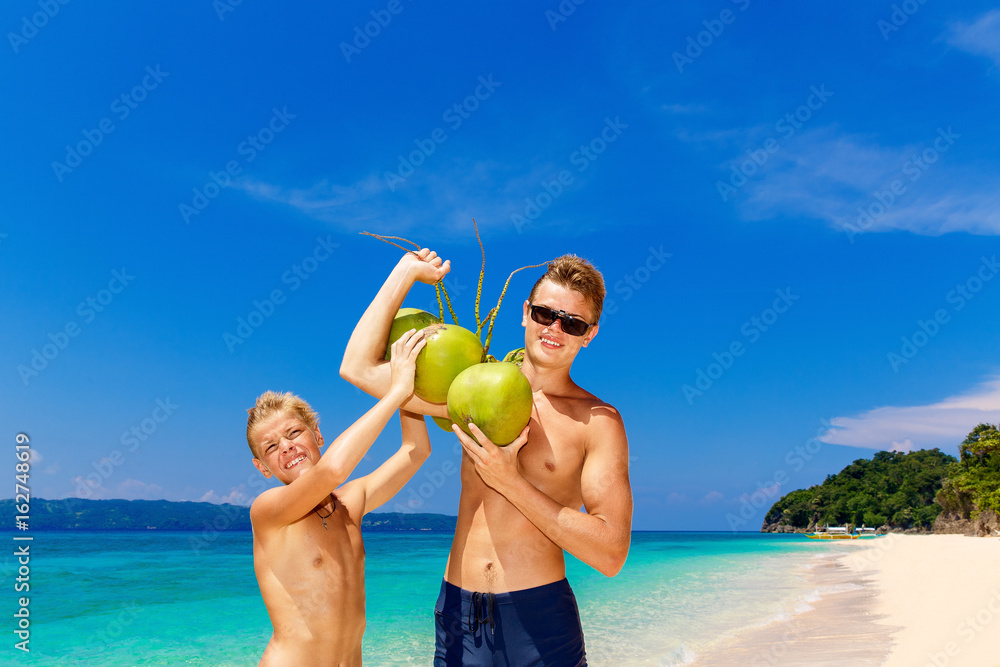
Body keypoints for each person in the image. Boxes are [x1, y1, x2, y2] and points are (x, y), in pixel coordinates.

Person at [340, 248, 632, 666]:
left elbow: (611, 552)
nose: (555, 328)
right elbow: (358, 367)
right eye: (545, 314)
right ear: (525, 312)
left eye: (572, 323)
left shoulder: (597, 422)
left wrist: (510, 480)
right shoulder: (469, 389)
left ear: (590, 334)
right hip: (460, 616)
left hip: (540, 620)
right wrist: (404, 273)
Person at [246, 329, 430, 666]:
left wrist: (411, 381)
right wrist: (394, 392)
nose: (285, 446)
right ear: (263, 468)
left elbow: (416, 451)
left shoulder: (350, 503)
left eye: (293, 433)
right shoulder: (269, 512)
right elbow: (331, 471)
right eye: (271, 447)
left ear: (317, 434)